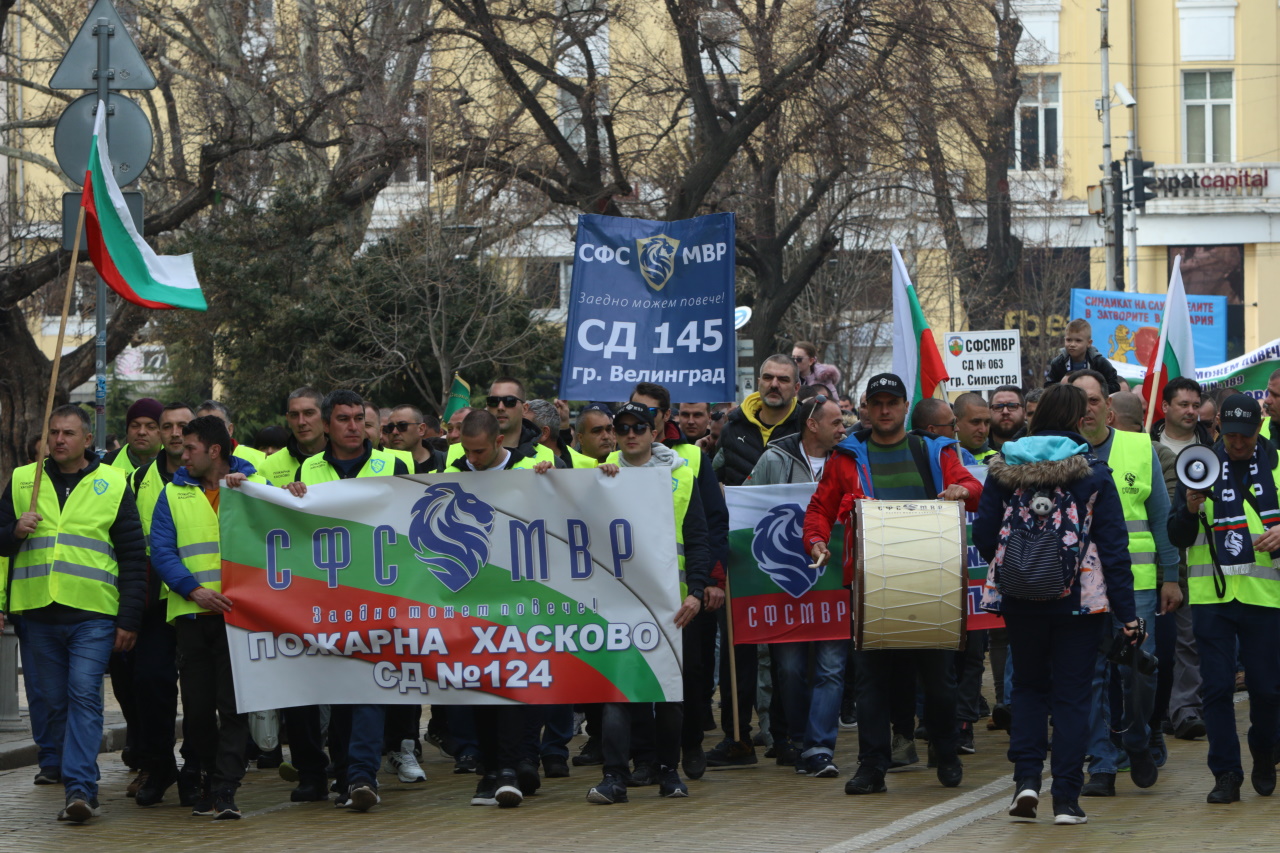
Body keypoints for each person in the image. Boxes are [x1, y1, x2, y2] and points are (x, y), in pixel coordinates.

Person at [803, 373, 982, 797]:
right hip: (870, 586)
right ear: (865, 407)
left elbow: (974, 489)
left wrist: (961, 488)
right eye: (877, 403)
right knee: (871, 684)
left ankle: (946, 750)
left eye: (892, 402)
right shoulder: (847, 457)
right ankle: (872, 766)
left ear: (905, 407)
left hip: (930, 580)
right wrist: (814, 542)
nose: (884, 410)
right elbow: (819, 509)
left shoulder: (934, 450)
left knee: (939, 682)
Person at [973, 383, 1139, 825]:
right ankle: (1066, 798)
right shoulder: (1093, 473)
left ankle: (1026, 781)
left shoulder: (1003, 467)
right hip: (1080, 605)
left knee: (1027, 688)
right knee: (1072, 697)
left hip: (1020, 599)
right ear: (1075, 419)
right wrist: (1128, 615)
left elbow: (983, 535)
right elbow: (1115, 550)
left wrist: (1018, 568)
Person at [0, 404, 147, 824]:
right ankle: (72, 779)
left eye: (68, 433)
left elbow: (133, 557)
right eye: (54, 433)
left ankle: (81, 788)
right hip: (37, 615)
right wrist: (13, 531)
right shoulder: (23, 479)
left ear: (87, 440)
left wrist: (128, 619)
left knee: (84, 694)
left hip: (93, 613)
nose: (59, 440)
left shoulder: (113, 482)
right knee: (50, 703)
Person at [286, 390, 408, 812]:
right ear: (326, 424)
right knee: (339, 690)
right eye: (344, 419)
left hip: (381, 594)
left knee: (370, 684)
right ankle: (346, 772)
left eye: (359, 418)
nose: (353, 426)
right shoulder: (310, 468)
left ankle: (361, 775)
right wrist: (290, 498)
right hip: (330, 597)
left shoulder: (395, 464)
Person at [586, 402, 710, 804]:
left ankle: (668, 773)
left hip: (669, 603)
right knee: (618, 693)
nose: (630, 433)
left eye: (638, 426)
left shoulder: (682, 475)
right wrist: (545, 476)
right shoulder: (600, 477)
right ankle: (614, 777)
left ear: (654, 430)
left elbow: (698, 540)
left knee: (669, 697)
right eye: (621, 428)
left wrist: (695, 592)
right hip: (618, 602)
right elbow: (561, 513)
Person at [1065, 370, 1180, 797]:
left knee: (1141, 669)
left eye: (1094, 400)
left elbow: (1161, 520)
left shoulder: (1139, 448)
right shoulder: (1060, 453)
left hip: (1139, 583)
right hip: (1081, 586)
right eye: (1079, 400)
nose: (1087, 408)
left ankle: (1138, 735)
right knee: (1092, 674)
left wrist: (1172, 578)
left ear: (1108, 408)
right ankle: (1103, 763)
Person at [149, 415, 269, 820]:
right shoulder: (172, 494)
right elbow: (161, 551)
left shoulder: (253, 489)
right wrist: (193, 590)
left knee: (234, 707)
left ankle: (225, 788)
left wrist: (291, 491)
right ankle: (204, 776)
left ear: (214, 451)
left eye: (190, 448)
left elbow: (287, 528)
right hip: (191, 617)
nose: (182, 456)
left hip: (240, 619)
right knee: (198, 710)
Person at [1168, 393, 1280, 805]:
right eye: (1229, 435)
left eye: (1245, 437)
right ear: (1219, 431)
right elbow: (1177, 536)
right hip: (1212, 596)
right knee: (1215, 689)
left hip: (1264, 596)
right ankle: (1226, 774)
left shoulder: (1278, 466)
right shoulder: (1198, 471)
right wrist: (1188, 510)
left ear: (1257, 430)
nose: (1236, 444)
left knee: (1267, 690)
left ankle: (1265, 751)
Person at [745, 394, 848, 777]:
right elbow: (749, 510)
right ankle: (798, 738)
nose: (843, 429)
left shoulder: (850, 459)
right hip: (785, 584)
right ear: (812, 424)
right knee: (788, 668)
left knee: (832, 667)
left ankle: (819, 746)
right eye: (836, 423)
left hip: (836, 582)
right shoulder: (774, 459)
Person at [115, 401, 196, 807]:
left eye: (184, 426)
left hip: (204, 602)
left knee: (202, 691)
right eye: (169, 426)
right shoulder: (136, 480)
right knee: (150, 683)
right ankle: (159, 764)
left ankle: (198, 767)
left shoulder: (220, 475)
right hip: (155, 603)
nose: (176, 433)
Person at [1150, 377, 1210, 741]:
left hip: (1201, 561)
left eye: (1195, 404)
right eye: (1183, 404)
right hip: (1156, 565)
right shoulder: (1147, 448)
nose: (1190, 411)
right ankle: (1160, 710)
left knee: (1191, 640)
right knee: (1160, 644)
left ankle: (1185, 710)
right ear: (1166, 407)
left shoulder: (1213, 449)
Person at [714, 355, 804, 487]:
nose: (774, 385)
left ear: (796, 388)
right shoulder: (731, 429)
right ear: (758, 382)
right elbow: (715, 479)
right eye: (768, 377)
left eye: (783, 380)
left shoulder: (806, 429)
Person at [263, 387, 328, 485]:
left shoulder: (347, 459)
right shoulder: (267, 467)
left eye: (309, 413)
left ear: (325, 416)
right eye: (294, 415)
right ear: (288, 419)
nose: (301, 422)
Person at [1044, 319, 1121, 392]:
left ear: (1089, 343)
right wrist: (1065, 388)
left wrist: (1093, 389)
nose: (1072, 344)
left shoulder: (1100, 363)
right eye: (1069, 340)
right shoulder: (1058, 363)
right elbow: (1048, 386)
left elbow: (1115, 386)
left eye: (1078, 340)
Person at [196, 400, 268, 472]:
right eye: (203, 426)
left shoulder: (260, 459)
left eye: (217, 425)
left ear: (230, 429)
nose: (209, 431)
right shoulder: (189, 459)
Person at [104, 397, 164, 476]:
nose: (141, 432)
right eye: (135, 426)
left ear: (162, 432)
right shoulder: (107, 463)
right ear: (127, 430)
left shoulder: (175, 462)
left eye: (151, 427)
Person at [382, 403, 446, 474]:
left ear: (421, 429)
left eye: (402, 425)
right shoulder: (378, 465)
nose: (394, 432)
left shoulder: (445, 461)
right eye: (390, 427)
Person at [953, 392, 994, 462]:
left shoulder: (996, 461)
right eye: (976, 422)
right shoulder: (939, 458)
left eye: (987, 422)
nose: (983, 430)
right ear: (955, 422)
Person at [989, 386, 1028, 453]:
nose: (1005, 411)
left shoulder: (1037, 444)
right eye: (998, 407)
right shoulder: (977, 445)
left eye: (1012, 406)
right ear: (989, 412)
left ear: (1024, 412)